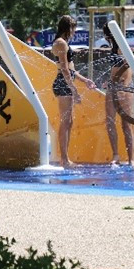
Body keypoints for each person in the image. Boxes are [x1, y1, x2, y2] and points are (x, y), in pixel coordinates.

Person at [51, 15, 95, 168]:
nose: (74, 32)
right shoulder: (61, 43)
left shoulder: (63, 43)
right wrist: (73, 88)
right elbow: (64, 69)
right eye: (74, 28)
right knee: (65, 122)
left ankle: (65, 158)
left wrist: (85, 80)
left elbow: (71, 69)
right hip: (63, 84)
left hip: (65, 83)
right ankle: (64, 159)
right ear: (68, 28)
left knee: (69, 122)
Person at [101, 23, 134, 166]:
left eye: (106, 34)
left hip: (123, 88)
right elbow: (116, 70)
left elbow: (128, 69)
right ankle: (116, 155)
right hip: (113, 86)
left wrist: (123, 87)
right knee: (110, 121)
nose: (106, 37)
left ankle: (130, 158)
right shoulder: (115, 47)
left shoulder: (122, 46)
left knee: (125, 123)